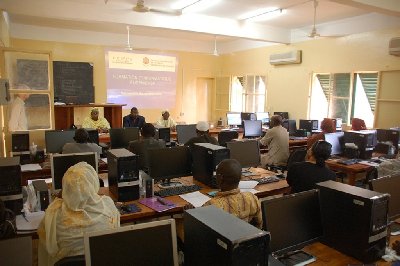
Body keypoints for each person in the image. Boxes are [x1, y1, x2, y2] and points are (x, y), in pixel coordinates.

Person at [38, 162, 120, 265]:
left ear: (65, 186)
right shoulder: (108, 205)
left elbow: (45, 245)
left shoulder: (53, 213)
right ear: (94, 182)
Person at [203, 159, 262, 228]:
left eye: (216, 174)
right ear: (240, 177)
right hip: (246, 237)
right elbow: (259, 226)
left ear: (221, 178)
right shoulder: (252, 198)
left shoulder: (211, 206)